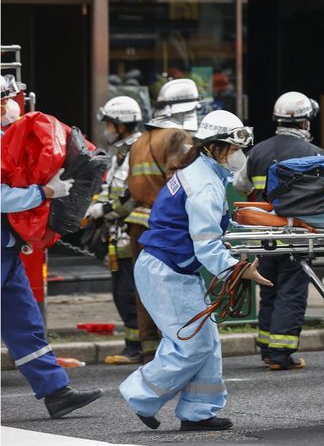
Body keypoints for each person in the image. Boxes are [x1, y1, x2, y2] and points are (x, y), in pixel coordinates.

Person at [119, 110, 272, 432]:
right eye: (234, 148)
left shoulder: (202, 173)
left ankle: (199, 412)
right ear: (215, 148)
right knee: (191, 344)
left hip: (170, 270)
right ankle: (140, 394)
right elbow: (206, 245)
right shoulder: (204, 183)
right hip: (166, 273)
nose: (239, 156)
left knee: (207, 342)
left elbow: (208, 230)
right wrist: (238, 270)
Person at [1, 74, 103, 419]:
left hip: (7, 248)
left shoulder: (7, 139)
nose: (10, 106)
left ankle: (56, 392)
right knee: (21, 320)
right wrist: (45, 193)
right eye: (3, 101)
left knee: (24, 322)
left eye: (10, 99)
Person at [234, 91, 324, 370]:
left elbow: (240, 184)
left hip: (263, 236)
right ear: (304, 123)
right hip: (296, 235)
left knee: (269, 290)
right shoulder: (316, 155)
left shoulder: (258, 151)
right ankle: (280, 354)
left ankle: (266, 348)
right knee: (292, 292)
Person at [126, 78, 199, 362]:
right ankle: (175, 349)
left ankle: (148, 348)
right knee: (173, 288)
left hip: (137, 222)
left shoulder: (141, 140)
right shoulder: (177, 137)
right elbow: (179, 180)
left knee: (144, 288)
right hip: (165, 225)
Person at [85, 96, 145, 364]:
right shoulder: (120, 151)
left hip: (131, 233)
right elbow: (112, 188)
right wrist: (96, 205)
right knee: (122, 292)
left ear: (122, 124)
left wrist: (105, 210)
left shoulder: (137, 150)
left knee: (129, 292)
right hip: (117, 234)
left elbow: (132, 195)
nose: (106, 129)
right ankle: (134, 345)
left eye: (109, 123)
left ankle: (137, 347)